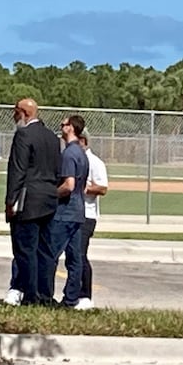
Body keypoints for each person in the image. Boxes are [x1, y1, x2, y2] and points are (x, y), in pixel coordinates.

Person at [4, 98, 61, 306]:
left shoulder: (23, 135)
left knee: (25, 250)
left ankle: (30, 296)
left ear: (23, 113)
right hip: (48, 199)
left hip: (28, 201)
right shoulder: (52, 137)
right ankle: (45, 295)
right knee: (45, 251)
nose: (13, 116)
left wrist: (11, 201)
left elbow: (17, 170)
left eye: (15, 112)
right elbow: (57, 171)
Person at [49, 114, 89, 309]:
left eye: (63, 124)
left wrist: (51, 194)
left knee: (51, 255)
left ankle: (45, 296)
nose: (60, 126)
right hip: (79, 211)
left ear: (71, 128)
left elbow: (69, 185)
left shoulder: (69, 154)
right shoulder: (82, 153)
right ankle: (71, 298)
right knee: (75, 259)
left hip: (65, 212)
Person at [77, 131, 109, 310]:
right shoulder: (70, 159)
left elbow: (102, 188)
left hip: (87, 215)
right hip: (70, 213)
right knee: (72, 257)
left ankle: (85, 295)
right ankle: (72, 294)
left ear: (83, 141)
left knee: (81, 255)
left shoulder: (95, 163)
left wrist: (83, 189)